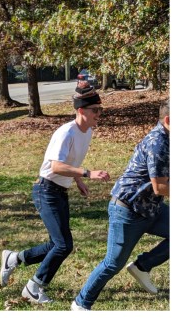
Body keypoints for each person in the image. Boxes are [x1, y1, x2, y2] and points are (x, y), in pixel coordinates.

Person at [0, 80, 111, 304]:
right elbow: (56, 166)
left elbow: (70, 161)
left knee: (55, 244)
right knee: (63, 245)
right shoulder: (66, 133)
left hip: (59, 191)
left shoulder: (86, 131)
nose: (99, 114)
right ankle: (34, 287)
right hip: (46, 190)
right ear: (81, 110)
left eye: (100, 110)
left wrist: (77, 179)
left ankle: (14, 258)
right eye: (95, 110)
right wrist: (87, 173)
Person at [71, 99, 169, 310]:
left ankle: (143, 266)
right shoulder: (158, 143)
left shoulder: (170, 137)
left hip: (151, 207)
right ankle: (81, 304)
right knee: (113, 263)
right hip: (128, 209)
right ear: (169, 120)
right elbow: (160, 187)